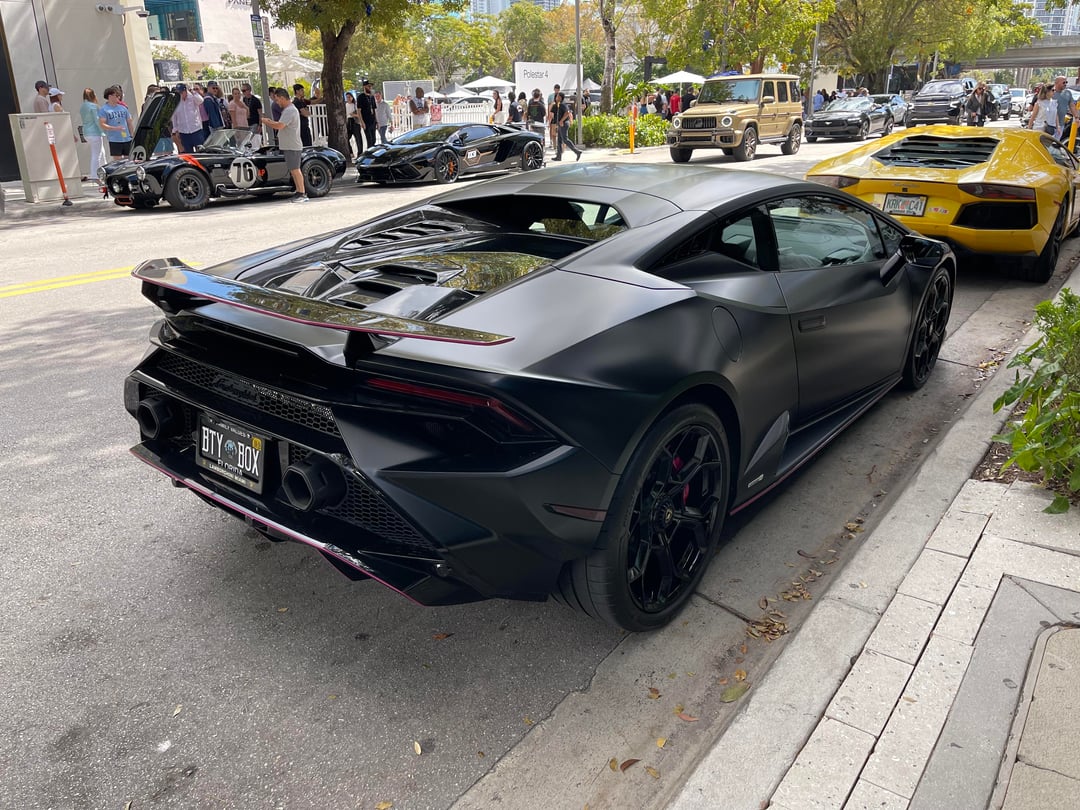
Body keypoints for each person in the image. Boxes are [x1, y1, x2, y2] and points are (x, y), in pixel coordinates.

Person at [261, 87, 308, 203]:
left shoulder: (289, 111)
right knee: (293, 169)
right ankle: (299, 191)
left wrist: (267, 121)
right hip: (289, 145)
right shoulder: (289, 110)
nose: (277, 103)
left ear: (282, 98)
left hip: (292, 145)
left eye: (277, 100)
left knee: (295, 170)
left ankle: (302, 193)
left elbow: (280, 125)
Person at [98, 86, 133, 161]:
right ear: (110, 96)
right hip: (115, 139)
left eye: (119, 95)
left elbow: (129, 122)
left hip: (127, 138)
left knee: (129, 159)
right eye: (116, 95)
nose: (119, 97)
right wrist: (115, 128)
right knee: (118, 161)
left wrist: (132, 135)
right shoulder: (104, 109)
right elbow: (102, 124)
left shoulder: (123, 108)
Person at [171, 83, 206, 152]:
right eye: (178, 93)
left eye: (181, 92)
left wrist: (193, 92)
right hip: (183, 131)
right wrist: (175, 130)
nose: (180, 94)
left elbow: (201, 100)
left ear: (185, 91)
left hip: (196, 129)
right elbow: (174, 117)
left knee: (201, 151)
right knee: (188, 153)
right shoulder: (176, 101)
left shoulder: (192, 98)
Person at [80, 88, 105, 183]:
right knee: (97, 154)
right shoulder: (94, 106)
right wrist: (104, 130)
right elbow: (97, 120)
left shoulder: (83, 106)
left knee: (101, 153)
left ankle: (104, 171)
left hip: (86, 132)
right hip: (95, 132)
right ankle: (95, 175)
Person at [552, 91, 582, 162]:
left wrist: (561, 121)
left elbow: (567, 113)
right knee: (559, 140)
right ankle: (558, 156)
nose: (556, 97)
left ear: (560, 97)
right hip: (560, 124)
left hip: (564, 124)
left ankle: (577, 151)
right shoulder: (558, 105)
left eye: (557, 96)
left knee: (565, 139)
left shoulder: (563, 104)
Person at [1052, 75, 1076, 142]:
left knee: (1056, 143)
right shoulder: (1051, 92)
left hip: (1061, 124)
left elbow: (1072, 106)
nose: (1065, 84)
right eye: (1063, 82)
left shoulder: (1068, 93)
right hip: (1050, 124)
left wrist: (1076, 117)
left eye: (1066, 82)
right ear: (1056, 83)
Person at [359, 79, 378, 149]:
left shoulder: (372, 97)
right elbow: (358, 110)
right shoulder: (361, 97)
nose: (370, 88)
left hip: (373, 121)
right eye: (368, 86)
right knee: (369, 140)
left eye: (371, 86)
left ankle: (372, 151)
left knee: (374, 139)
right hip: (366, 121)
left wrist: (377, 121)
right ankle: (369, 153)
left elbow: (374, 109)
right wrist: (362, 122)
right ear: (364, 87)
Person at [345, 92, 360, 157]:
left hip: (355, 121)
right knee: (346, 138)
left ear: (352, 97)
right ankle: (351, 152)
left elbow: (359, 115)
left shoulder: (355, 105)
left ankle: (359, 153)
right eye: (347, 97)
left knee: (358, 138)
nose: (348, 98)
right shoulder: (345, 105)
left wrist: (354, 115)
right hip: (348, 122)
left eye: (349, 97)